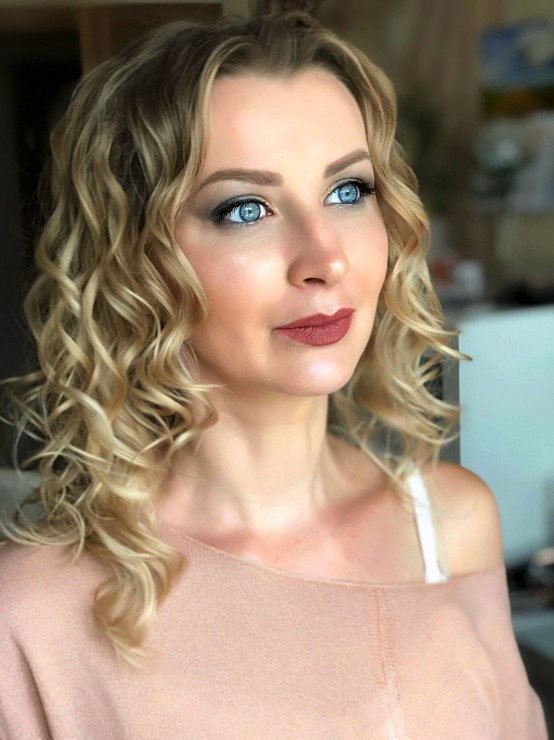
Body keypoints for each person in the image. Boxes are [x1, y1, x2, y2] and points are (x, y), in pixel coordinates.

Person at [0, 10, 547, 740]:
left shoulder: (451, 523)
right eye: (245, 209)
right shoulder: (35, 618)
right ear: (136, 258)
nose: (325, 258)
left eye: (348, 192)